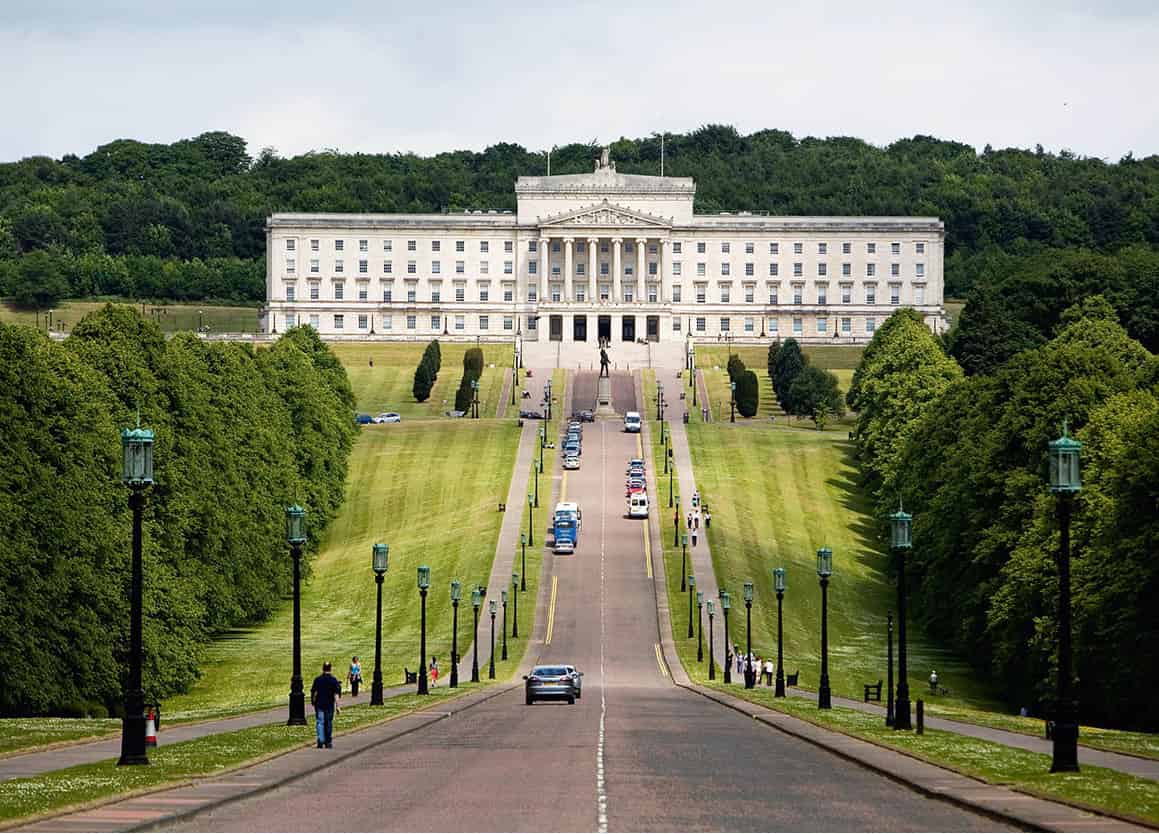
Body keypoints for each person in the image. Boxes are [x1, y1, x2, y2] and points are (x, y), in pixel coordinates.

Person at [310, 662, 342, 749]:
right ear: (330, 669)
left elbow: (314, 692)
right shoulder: (333, 680)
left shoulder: (318, 679)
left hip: (319, 704)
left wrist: (313, 701)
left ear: (323, 668)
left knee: (320, 722)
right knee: (328, 722)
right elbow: (336, 694)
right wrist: (338, 706)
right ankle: (328, 741)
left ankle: (320, 740)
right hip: (329, 705)